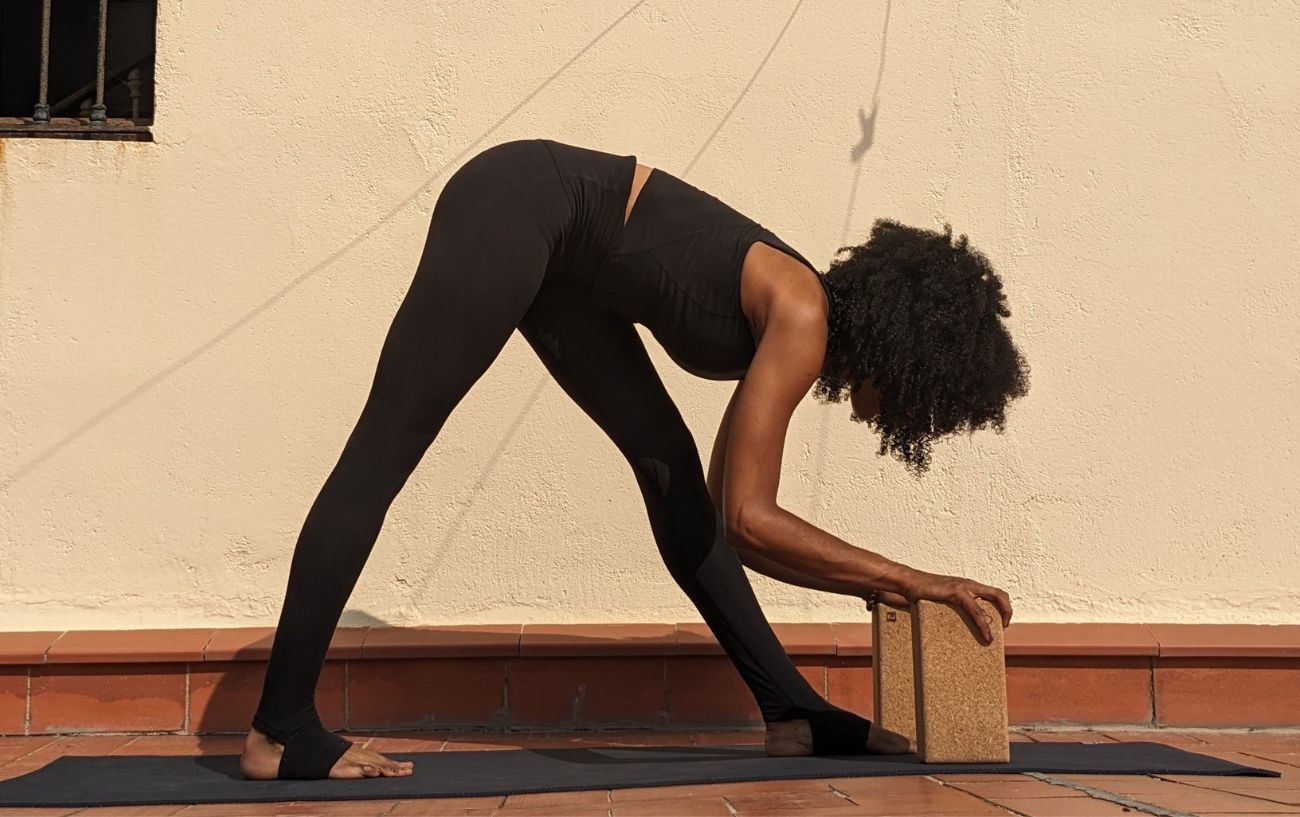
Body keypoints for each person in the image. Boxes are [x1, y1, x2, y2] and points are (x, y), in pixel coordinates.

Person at [238, 138, 1030, 780]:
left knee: (672, 476)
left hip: (577, 269)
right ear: (909, 354)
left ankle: (793, 711)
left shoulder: (800, 315)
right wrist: (910, 581)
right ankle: (281, 729)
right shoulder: (801, 313)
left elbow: (724, 509)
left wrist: (878, 582)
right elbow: (752, 521)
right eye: (923, 398)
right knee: (386, 448)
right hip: (517, 204)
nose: (901, 417)